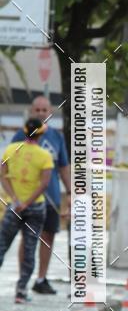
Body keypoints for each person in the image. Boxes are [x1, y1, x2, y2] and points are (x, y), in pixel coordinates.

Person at [11, 95, 71, 294]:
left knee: (48, 236)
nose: (41, 113)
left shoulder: (57, 137)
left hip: (51, 197)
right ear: (31, 111)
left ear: (50, 112)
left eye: (44, 110)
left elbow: (63, 166)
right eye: (37, 110)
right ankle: (23, 279)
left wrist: (70, 191)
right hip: (27, 198)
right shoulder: (20, 136)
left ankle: (41, 278)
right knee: (27, 238)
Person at [0, 119, 54, 303]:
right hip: (35, 207)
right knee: (29, 250)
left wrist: (15, 199)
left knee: (2, 245)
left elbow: (3, 176)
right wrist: (28, 202)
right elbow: (44, 184)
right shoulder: (44, 156)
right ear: (41, 134)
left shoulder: (10, 150)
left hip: (14, 206)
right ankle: (21, 291)